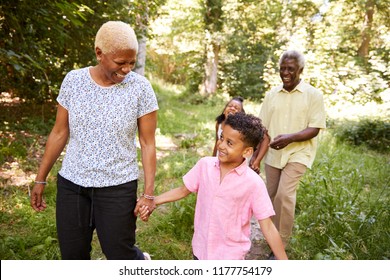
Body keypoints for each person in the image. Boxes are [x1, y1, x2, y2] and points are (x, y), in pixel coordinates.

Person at [30, 21, 158, 260]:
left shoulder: (140, 88)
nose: (128, 69)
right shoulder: (74, 81)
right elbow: (59, 132)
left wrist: (148, 194)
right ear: (99, 53)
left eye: (132, 62)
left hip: (118, 186)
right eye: (121, 63)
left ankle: (143, 262)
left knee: (120, 254)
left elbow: (148, 143)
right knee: (73, 256)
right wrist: (41, 178)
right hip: (73, 185)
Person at [137, 113, 288, 260]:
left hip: (230, 256)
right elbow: (183, 190)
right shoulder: (205, 165)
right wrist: (153, 201)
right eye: (222, 138)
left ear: (247, 151)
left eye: (229, 143)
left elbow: (267, 226)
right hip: (200, 249)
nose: (221, 145)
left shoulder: (254, 183)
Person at [259, 50, 326, 251]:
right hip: (273, 153)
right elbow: (263, 129)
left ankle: (281, 244)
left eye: (290, 69)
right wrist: (255, 157)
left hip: (299, 153)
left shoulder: (313, 94)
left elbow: (314, 128)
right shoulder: (271, 95)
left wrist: (290, 138)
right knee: (269, 196)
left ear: (300, 70)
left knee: (284, 196)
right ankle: (270, 237)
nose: (285, 73)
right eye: (282, 69)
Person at [213, 97, 270, 174]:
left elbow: (265, 138)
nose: (232, 108)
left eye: (236, 108)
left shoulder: (244, 130)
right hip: (220, 158)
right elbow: (217, 142)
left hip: (236, 165)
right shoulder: (219, 124)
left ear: (241, 114)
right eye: (230, 106)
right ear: (224, 110)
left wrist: (257, 160)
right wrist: (212, 159)